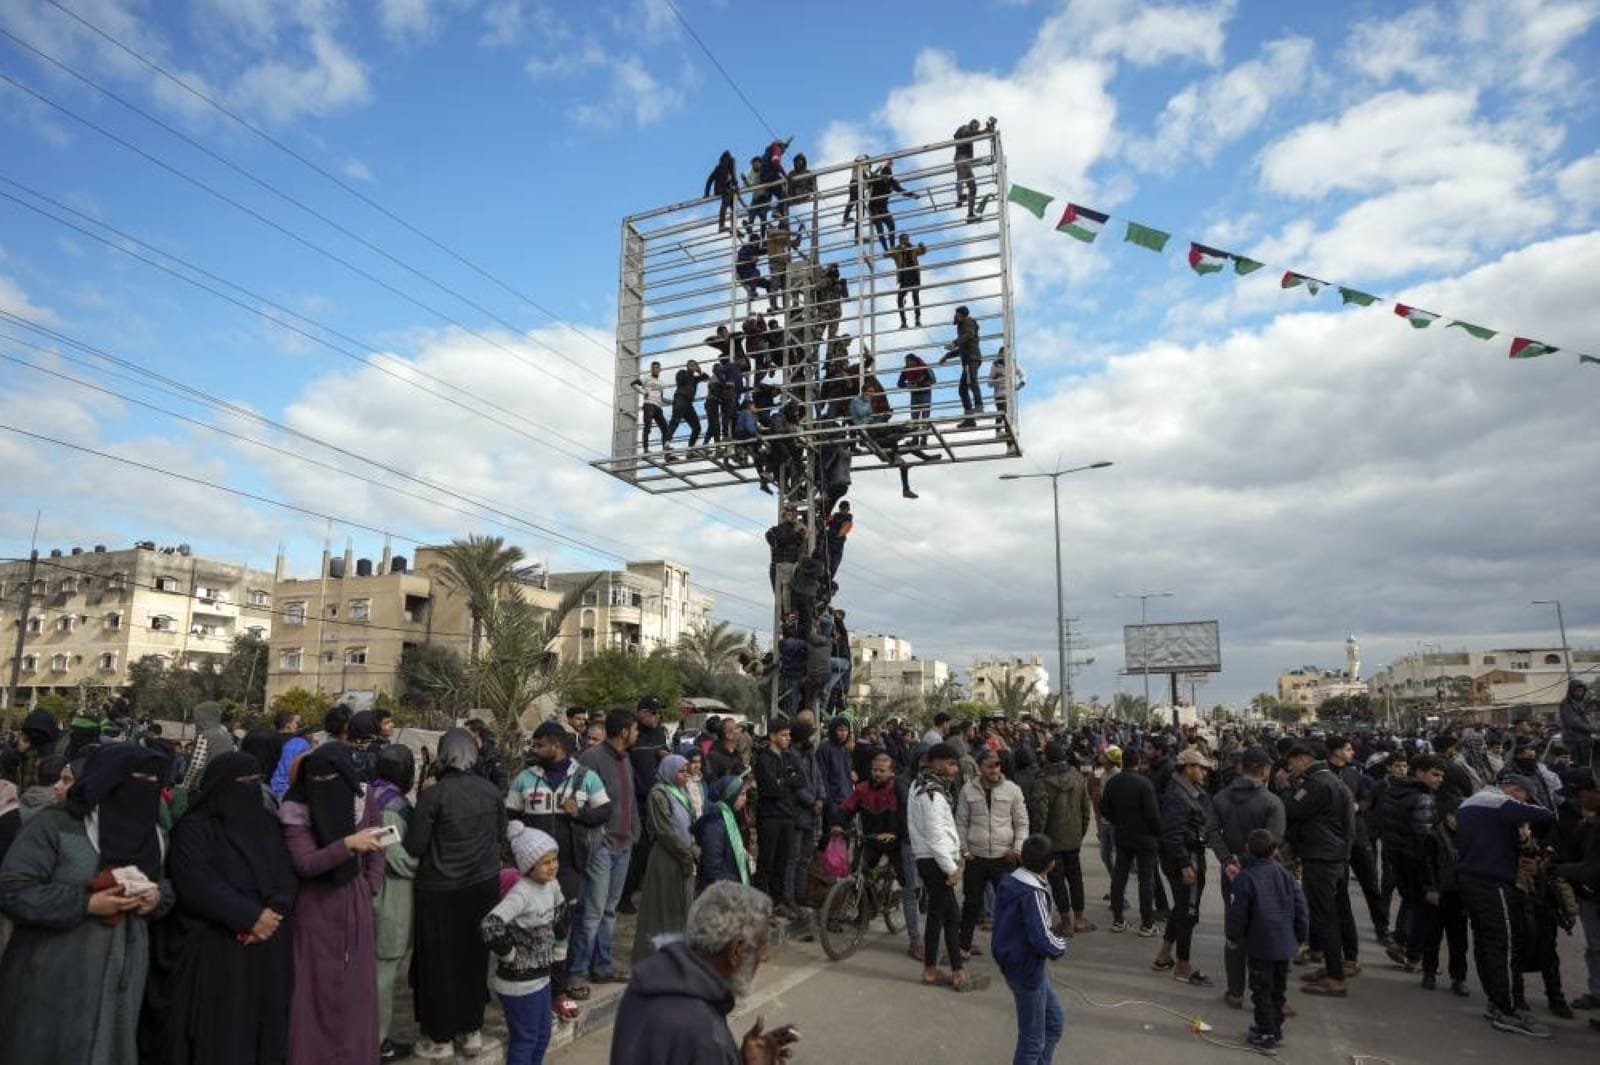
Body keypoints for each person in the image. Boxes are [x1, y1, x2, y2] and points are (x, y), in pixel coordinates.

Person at [0, 744, 173, 1064]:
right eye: (137, 778)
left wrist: (156, 898)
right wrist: (86, 904)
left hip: (123, 973)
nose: (145, 787)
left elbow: (164, 884)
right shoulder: (55, 826)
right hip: (54, 970)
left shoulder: (155, 836)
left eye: (153, 780)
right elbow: (13, 889)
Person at [158, 751, 297, 1065]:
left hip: (268, 944)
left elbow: (285, 875)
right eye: (243, 782)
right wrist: (248, 917)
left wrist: (272, 915)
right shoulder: (194, 828)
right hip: (217, 945)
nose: (250, 789)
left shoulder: (266, 823)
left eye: (255, 782)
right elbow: (195, 882)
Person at [278, 741, 387, 1065]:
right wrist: (347, 844)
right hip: (315, 908)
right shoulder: (295, 809)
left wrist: (369, 886)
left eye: (332, 780)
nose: (324, 786)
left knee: (356, 993)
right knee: (314, 993)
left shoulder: (362, 798)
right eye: (318, 780)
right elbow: (306, 863)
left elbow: (378, 846)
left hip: (355, 904)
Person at [610, 881, 798, 1065]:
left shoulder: (645, 984)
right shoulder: (708, 1039)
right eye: (762, 944)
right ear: (737, 950)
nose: (765, 956)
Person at [404, 728, 507, 1060]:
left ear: (444, 754)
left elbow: (416, 844)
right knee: (474, 959)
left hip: (440, 891)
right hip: (482, 887)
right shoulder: (491, 791)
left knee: (438, 964)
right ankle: (472, 1029)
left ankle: (441, 1036)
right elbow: (501, 835)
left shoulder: (433, 796)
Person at [506, 719, 610, 1016]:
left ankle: (558, 990)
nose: (534, 749)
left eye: (540, 745)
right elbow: (509, 815)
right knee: (531, 927)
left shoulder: (585, 777)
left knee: (562, 929)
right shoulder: (525, 778)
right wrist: (517, 839)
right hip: (532, 872)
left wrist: (579, 813)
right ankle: (533, 990)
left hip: (568, 869)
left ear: (557, 746)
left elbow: (605, 810)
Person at [1456, 769, 1557, 1037]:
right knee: (1505, 944)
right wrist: (1525, 821)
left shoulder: (1470, 803)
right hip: (1494, 882)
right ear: (1515, 789)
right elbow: (1546, 814)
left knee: (1486, 944)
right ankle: (1509, 1009)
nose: (1524, 800)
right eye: (1524, 795)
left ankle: (1496, 1001)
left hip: (1471, 879)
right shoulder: (1500, 803)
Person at [1206, 746, 1286, 1007]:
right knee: (1264, 930)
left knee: (1235, 929)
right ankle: (1264, 993)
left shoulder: (1220, 798)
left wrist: (1228, 860)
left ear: (1242, 768)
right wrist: (1246, 859)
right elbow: (1274, 840)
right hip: (1264, 875)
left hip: (1231, 873)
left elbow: (1211, 831)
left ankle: (1235, 991)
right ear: (1264, 770)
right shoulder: (1272, 802)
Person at [482, 823, 568, 1065]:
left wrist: (560, 946)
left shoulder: (551, 884)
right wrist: (509, 955)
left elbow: (561, 911)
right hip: (519, 984)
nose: (553, 866)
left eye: (554, 859)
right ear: (529, 866)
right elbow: (490, 926)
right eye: (545, 862)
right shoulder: (521, 893)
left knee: (543, 1036)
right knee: (526, 1039)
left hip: (542, 976)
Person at [567, 708, 639, 995]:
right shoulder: (591, 759)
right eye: (635, 729)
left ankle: (602, 966)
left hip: (624, 845)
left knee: (609, 911)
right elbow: (576, 803)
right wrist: (594, 836)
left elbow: (630, 801)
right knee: (592, 912)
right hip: (600, 847)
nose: (637, 734)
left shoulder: (626, 759)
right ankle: (576, 974)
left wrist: (634, 831)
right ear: (624, 732)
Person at [1225, 830, 1309, 1052]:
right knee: (1278, 990)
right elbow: (1301, 908)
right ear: (1274, 851)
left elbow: (1238, 913)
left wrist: (1233, 935)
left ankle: (1266, 1032)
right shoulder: (1286, 875)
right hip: (1284, 943)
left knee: (1261, 989)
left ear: (1247, 849)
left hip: (1261, 944)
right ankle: (1275, 1028)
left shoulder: (1246, 877)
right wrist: (1300, 936)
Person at [910, 743, 985, 991]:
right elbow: (935, 835)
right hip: (935, 860)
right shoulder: (930, 793)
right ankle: (955, 972)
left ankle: (933, 969)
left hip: (930, 858)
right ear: (937, 763)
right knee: (951, 916)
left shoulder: (921, 785)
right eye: (952, 764)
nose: (955, 770)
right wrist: (950, 868)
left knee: (939, 914)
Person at [1283, 743, 1355, 997]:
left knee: (1325, 918)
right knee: (1331, 915)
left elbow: (1290, 810)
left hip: (1321, 857)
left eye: (1291, 763)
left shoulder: (1316, 784)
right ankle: (1333, 968)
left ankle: (1335, 978)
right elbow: (1349, 825)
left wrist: (1286, 788)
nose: (1290, 768)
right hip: (1335, 855)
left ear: (1303, 758)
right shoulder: (1335, 782)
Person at [992, 833, 1069, 1065]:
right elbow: (1042, 939)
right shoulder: (1032, 893)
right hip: (1026, 971)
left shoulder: (1011, 881)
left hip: (1019, 964)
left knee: (1054, 1023)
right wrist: (1060, 945)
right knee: (1032, 1041)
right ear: (1051, 864)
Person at [957, 749, 1030, 959]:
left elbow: (1022, 823)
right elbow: (961, 822)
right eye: (990, 766)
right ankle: (963, 947)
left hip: (1004, 857)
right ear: (980, 767)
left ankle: (1013, 948)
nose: (995, 770)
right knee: (971, 904)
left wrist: (1017, 848)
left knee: (1009, 905)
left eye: (997, 765)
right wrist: (964, 850)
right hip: (976, 857)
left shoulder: (1012, 790)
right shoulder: (967, 790)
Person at [1154, 748, 1215, 986]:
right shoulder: (1177, 796)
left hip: (1189, 856)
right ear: (1188, 768)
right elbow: (1172, 835)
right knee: (1188, 913)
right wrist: (1184, 865)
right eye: (1201, 768)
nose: (1204, 773)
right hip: (1186, 859)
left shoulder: (1189, 791)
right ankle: (1183, 965)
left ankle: (1164, 955)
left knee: (1182, 908)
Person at [633, 754, 699, 962]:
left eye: (686, 771)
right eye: (681, 771)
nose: (685, 775)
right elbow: (665, 830)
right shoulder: (658, 794)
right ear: (669, 771)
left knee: (682, 906)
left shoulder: (681, 792)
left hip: (685, 855)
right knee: (663, 906)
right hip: (667, 857)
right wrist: (685, 853)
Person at [1381, 753, 1442, 973]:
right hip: (1416, 860)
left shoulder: (1395, 790)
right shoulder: (1422, 798)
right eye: (1435, 774)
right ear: (1419, 773)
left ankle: (1400, 944)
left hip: (1398, 856)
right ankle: (1414, 957)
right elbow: (1424, 838)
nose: (1440, 779)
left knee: (1410, 902)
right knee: (1423, 909)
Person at [1031, 740, 1095, 935]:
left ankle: (1066, 922)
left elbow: (1041, 814)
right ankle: (1080, 919)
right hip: (1073, 838)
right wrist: (1080, 832)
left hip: (1052, 840)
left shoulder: (1042, 781)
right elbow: (1086, 809)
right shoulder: (1077, 777)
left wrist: (1038, 838)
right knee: (1076, 878)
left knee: (1057, 880)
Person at [1101, 753, 1162, 935]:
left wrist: (1118, 821)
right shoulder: (1144, 784)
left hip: (1123, 834)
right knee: (1146, 880)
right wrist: (1158, 832)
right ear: (1139, 762)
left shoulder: (1113, 783)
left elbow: (1105, 809)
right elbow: (1152, 814)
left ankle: (1118, 919)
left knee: (1119, 877)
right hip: (1145, 837)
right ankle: (1147, 923)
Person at [753, 720, 806, 917]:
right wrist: (787, 781)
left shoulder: (789, 757)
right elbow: (770, 789)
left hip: (788, 815)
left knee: (782, 862)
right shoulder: (764, 759)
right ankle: (760, 904)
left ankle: (777, 902)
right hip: (770, 817)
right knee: (767, 861)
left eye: (788, 735)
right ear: (773, 736)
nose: (788, 738)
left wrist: (783, 780)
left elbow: (801, 780)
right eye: (784, 735)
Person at [696, 775, 752, 888]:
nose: (745, 798)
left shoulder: (728, 816)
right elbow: (712, 863)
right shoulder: (715, 822)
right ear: (731, 795)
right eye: (741, 794)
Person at [939, 305, 983, 428]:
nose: (954, 316)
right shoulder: (962, 328)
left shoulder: (968, 322)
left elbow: (969, 335)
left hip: (971, 359)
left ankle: (979, 406)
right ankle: (970, 418)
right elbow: (962, 349)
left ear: (961, 315)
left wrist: (955, 343)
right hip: (969, 359)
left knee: (971, 381)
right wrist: (947, 356)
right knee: (963, 389)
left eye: (956, 314)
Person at [866, 160, 919, 253]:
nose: (885, 179)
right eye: (884, 177)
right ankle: (886, 250)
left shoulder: (892, 182)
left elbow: (901, 190)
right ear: (881, 175)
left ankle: (892, 247)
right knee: (880, 230)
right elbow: (868, 181)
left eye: (887, 177)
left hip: (884, 208)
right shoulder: (876, 179)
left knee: (891, 226)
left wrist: (912, 195)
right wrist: (878, 169)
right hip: (874, 208)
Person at [885, 235, 927, 329]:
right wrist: (896, 249)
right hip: (904, 278)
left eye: (907, 239)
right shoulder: (897, 250)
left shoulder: (912, 248)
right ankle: (903, 322)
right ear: (900, 241)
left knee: (915, 295)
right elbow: (886, 255)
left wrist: (922, 246)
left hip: (914, 276)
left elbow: (923, 251)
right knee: (900, 298)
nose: (906, 241)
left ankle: (917, 319)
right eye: (904, 240)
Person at [269, 709, 311, 801]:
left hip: (268, 789)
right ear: (288, 725)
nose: (297, 725)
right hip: (288, 791)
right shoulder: (301, 743)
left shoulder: (268, 741)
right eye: (295, 722)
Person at [631, 361, 671, 452]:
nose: (655, 369)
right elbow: (633, 384)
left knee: (666, 428)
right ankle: (646, 449)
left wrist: (671, 402)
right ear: (651, 369)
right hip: (649, 404)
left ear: (660, 369)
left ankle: (666, 450)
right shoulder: (646, 378)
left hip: (658, 406)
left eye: (657, 368)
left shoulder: (661, 383)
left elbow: (661, 398)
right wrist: (644, 392)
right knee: (648, 426)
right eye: (653, 368)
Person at [703, 150, 743, 233]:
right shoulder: (730, 162)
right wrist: (736, 185)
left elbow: (709, 180)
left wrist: (707, 193)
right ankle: (723, 225)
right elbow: (734, 175)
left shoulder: (718, 168)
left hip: (721, 189)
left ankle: (730, 226)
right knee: (729, 205)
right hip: (724, 190)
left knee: (733, 206)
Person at [1559, 680, 1592, 771]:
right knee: (1575, 768)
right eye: (1577, 691)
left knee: (1585, 767)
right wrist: (1591, 728)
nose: (1580, 693)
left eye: (1582, 691)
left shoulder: (1581, 702)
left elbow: (1586, 718)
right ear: (1571, 690)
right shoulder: (1567, 703)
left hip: (1583, 740)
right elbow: (1573, 722)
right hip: (1573, 741)